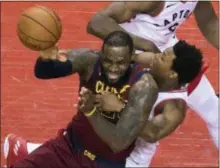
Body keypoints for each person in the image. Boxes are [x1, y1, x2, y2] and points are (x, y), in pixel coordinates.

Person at [4, 38, 204, 167]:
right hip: (75, 146)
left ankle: (27, 150)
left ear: (172, 73)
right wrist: (48, 56)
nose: (156, 56)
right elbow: (104, 32)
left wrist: (118, 106)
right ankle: (29, 152)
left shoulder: (174, 104)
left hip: (128, 161)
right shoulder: (138, 67)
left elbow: (150, 133)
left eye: (163, 57)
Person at [86, 1, 219, 148]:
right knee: (139, 138)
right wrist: (143, 44)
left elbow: (210, 23)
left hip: (168, 55)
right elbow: (97, 22)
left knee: (215, 112)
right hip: (134, 59)